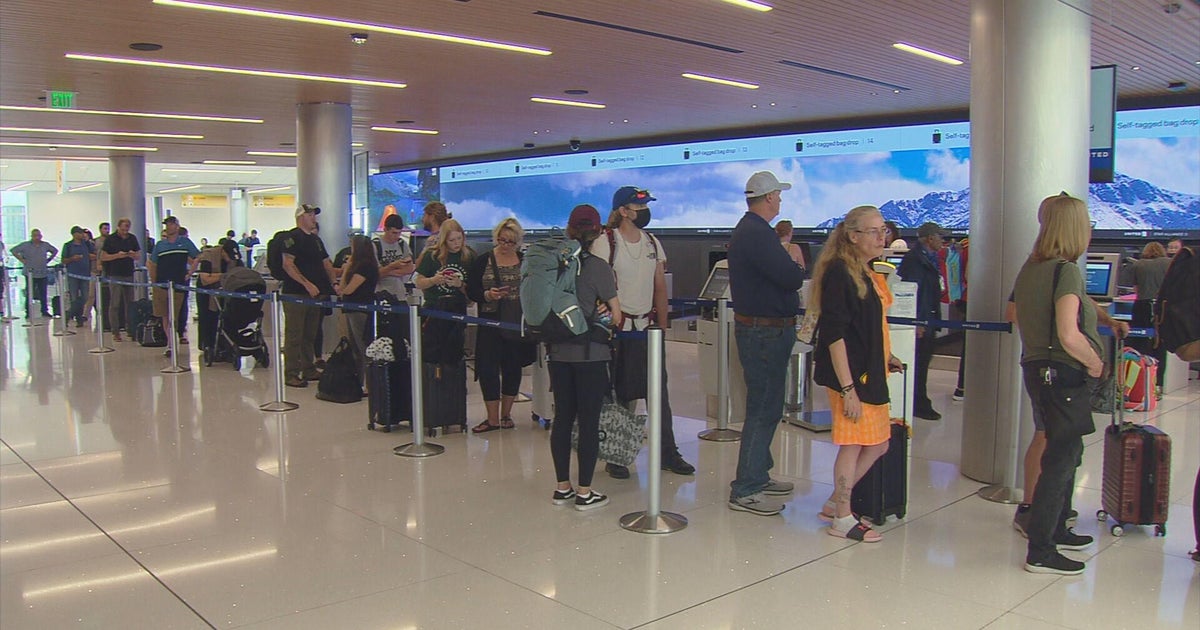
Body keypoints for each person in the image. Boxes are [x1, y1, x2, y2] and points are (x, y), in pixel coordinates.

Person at [1012, 193, 1101, 576]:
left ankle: (1056, 526)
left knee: (1065, 451)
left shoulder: (1031, 269)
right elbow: (1068, 333)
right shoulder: (1066, 271)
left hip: (1038, 368)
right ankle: (1041, 549)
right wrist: (1095, 363)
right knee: (1061, 460)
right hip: (1063, 374)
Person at [589, 185, 695, 478]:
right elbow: (599, 285)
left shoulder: (651, 243)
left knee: (658, 393)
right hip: (619, 330)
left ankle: (668, 453)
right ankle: (618, 456)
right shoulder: (605, 242)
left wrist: (662, 325)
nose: (645, 211)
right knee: (621, 393)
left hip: (647, 328)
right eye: (639, 207)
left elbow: (660, 286)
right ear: (623, 211)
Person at [810, 205, 903, 540]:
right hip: (851, 377)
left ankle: (836, 503)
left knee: (878, 444)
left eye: (884, 231)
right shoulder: (840, 273)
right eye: (874, 231)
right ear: (852, 236)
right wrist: (848, 389)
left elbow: (866, 325)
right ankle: (843, 517)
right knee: (853, 444)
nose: (882, 237)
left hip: (868, 372)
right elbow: (834, 334)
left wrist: (886, 355)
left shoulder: (864, 270)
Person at [725, 171, 807, 516]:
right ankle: (746, 488)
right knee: (763, 407)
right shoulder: (758, 234)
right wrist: (794, 266)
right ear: (770, 197)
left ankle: (758, 474)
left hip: (762, 330)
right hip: (764, 332)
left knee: (767, 405)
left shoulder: (751, 231)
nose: (781, 200)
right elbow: (790, 276)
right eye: (778, 195)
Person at [548, 204, 622, 511]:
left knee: (563, 418)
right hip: (590, 355)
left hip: (558, 352)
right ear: (598, 232)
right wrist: (604, 310)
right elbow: (617, 316)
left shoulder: (554, 265)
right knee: (588, 422)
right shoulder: (598, 267)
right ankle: (585, 492)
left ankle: (562, 487)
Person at [466, 218, 529, 433]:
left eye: (510, 242)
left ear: (517, 241)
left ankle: (506, 415)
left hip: (515, 323)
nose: (505, 245)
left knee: (513, 368)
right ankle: (492, 418)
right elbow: (471, 289)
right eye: (502, 240)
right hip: (489, 322)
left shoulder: (524, 260)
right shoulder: (483, 260)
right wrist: (487, 295)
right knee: (488, 370)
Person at [280, 204, 338, 388]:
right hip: (295, 294)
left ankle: (308, 367)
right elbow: (288, 264)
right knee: (295, 334)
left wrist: (334, 283)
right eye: (310, 214)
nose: (314, 217)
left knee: (310, 334)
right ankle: (291, 372)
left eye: (314, 214)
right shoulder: (292, 238)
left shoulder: (316, 240)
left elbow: (326, 263)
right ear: (301, 217)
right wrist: (306, 283)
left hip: (316, 295)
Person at [897, 221, 946, 421]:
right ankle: (918, 402)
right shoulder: (916, 260)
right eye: (940, 236)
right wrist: (917, 322)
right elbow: (913, 292)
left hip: (928, 319)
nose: (943, 240)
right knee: (919, 362)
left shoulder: (927, 259)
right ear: (930, 238)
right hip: (922, 321)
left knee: (923, 362)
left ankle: (920, 400)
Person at [149, 216, 200, 346]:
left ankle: (178, 334)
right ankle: (170, 342)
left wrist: (190, 273)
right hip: (162, 284)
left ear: (177, 226)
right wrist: (154, 282)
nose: (168, 227)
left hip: (179, 284)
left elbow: (198, 256)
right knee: (165, 315)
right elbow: (153, 263)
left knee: (175, 314)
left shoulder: (185, 242)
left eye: (171, 224)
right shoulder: (160, 245)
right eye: (167, 224)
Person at [336, 235, 379, 387]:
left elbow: (348, 289)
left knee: (362, 346)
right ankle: (360, 381)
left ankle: (368, 382)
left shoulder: (365, 266)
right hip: (352, 308)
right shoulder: (361, 265)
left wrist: (347, 268)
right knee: (355, 347)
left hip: (359, 309)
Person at [100, 218, 141, 341]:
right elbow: (103, 257)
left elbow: (138, 255)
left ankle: (131, 329)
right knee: (115, 303)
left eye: (127, 228)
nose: (125, 231)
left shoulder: (132, 238)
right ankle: (115, 331)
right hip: (115, 274)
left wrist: (132, 255)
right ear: (118, 227)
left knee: (130, 303)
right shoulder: (110, 239)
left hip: (128, 273)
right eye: (123, 228)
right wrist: (117, 255)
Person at [195, 240, 239, 352]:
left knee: (227, 316)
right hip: (206, 292)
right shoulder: (209, 255)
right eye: (229, 256)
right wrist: (224, 276)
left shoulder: (235, 259)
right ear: (223, 251)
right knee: (207, 317)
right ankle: (207, 345)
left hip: (224, 291)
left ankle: (224, 344)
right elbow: (205, 279)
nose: (230, 260)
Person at [10, 229, 57, 318]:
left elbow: (55, 251)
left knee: (43, 292)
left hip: (42, 272)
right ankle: (28, 312)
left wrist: (48, 260)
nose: (37, 237)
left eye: (38, 235)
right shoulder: (25, 245)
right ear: (31, 236)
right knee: (29, 293)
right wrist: (22, 260)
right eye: (34, 235)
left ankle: (44, 311)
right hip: (30, 272)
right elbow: (13, 250)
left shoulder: (45, 245)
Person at [375, 214, 416, 301]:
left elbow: (409, 268)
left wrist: (388, 271)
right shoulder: (375, 245)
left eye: (399, 233)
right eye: (393, 233)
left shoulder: (402, 244)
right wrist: (393, 266)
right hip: (381, 294)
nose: (397, 236)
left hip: (400, 294)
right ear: (385, 229)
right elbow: (375, 274)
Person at [61, 226, 96, 327]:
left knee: (85, 296)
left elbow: (94, 254)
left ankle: (71, 313)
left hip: (85, 274)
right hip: (73, 274)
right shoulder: (68, 245)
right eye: (80, 233)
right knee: (74, 297)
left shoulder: (87, 244)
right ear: (74, 234)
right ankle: (77, 317)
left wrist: (90, 256)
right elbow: (64, 260)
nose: (82, 235)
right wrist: (72, 258)